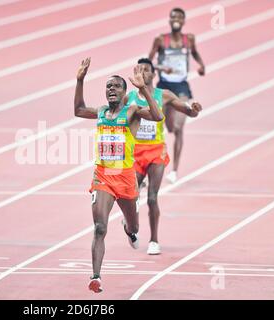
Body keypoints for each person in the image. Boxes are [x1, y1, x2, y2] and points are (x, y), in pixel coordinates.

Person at [74, 57, 163, 293]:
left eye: (116, 86)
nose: (111, 89)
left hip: (125, 178)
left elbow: (157, 117)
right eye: (108, 86)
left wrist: (143, 88)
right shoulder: (102, 111)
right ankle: (96, 276)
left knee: (133, 225)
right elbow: (79, 110)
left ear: (125, 92)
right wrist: (80, 80)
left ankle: (130, 230)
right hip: (103, 176)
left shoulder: (131, 111)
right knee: (100, 228)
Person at [126, 57, 202, 255]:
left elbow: (187, 111)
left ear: (153, 74)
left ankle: (153, 240)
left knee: (152, 197)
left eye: (146, 69)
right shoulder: (129, 98)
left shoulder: (164, 95)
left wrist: (193, 111)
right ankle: (131, 227)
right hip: (134, 153)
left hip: (156, 151)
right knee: (131, 196)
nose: (142, 72)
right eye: (139, 69)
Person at [148, 7, 205, 183]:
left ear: (183, 20)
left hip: (181, 87)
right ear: (169, 20)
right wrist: (161, 68)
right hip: (164, 86)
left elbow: (194, 52)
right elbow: (148, 63)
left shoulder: (189, 39)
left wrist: (201, 64)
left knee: (179, 128)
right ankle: (147, 163)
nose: (176, 19)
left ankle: (174, 171)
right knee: (161, 125)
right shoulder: (160, 40)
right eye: (173, 17)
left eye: (179, 17)